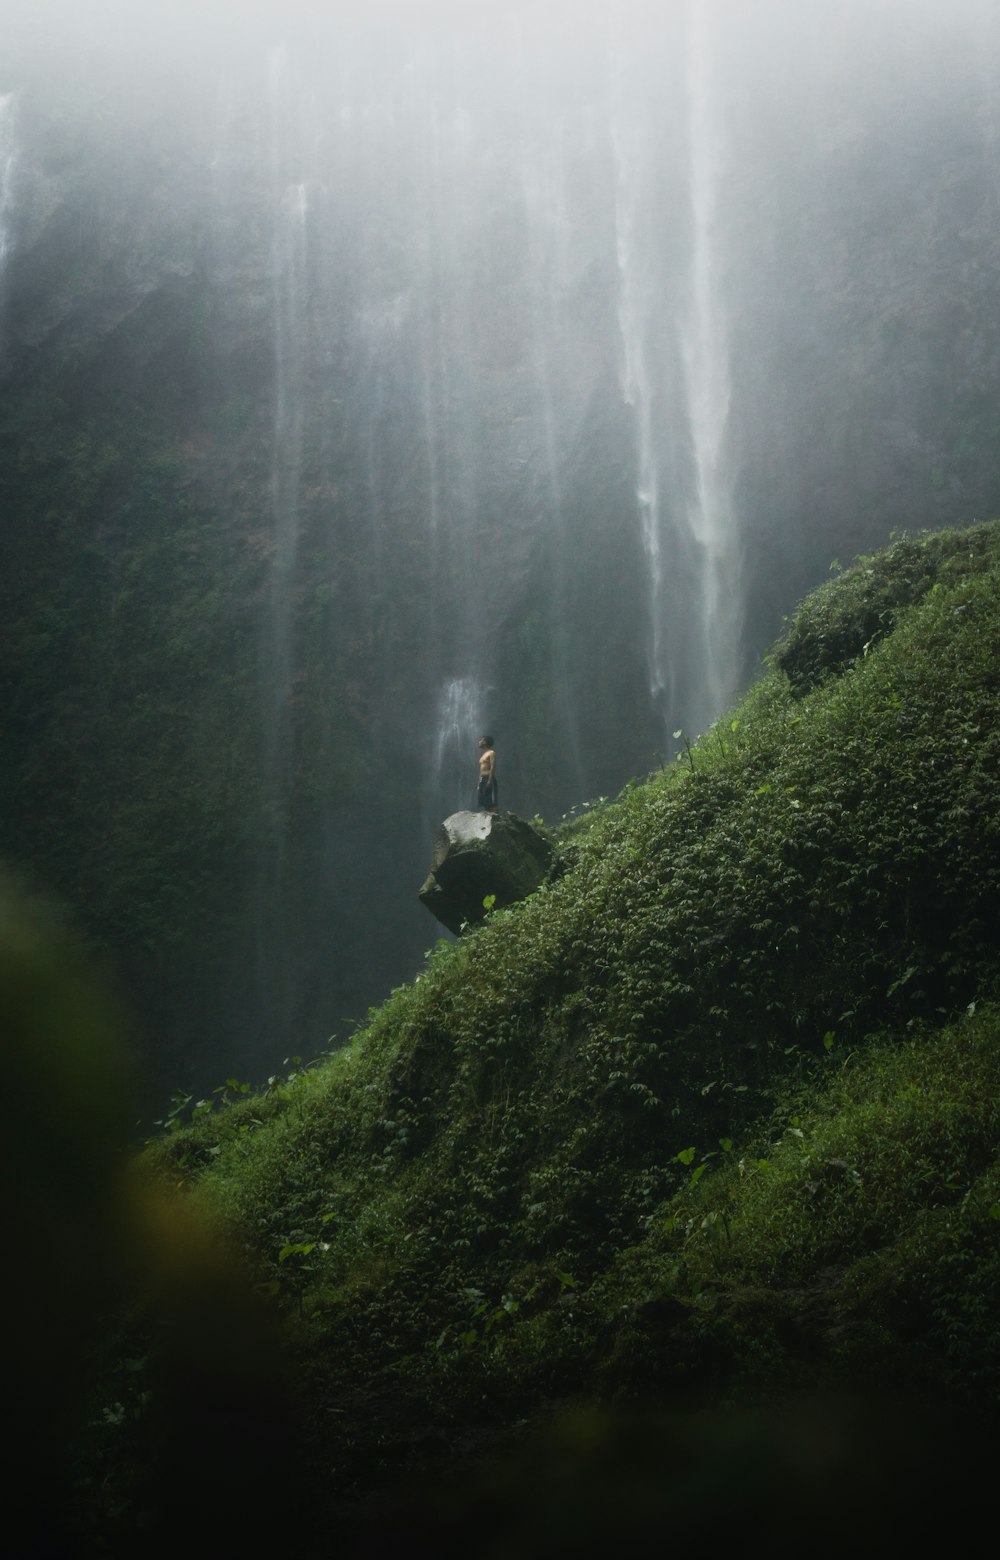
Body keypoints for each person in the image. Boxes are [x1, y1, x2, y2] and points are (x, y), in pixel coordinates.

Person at [477, 735, 498, 813]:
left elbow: (493, 766)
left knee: (492, 802)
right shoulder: (483, 755)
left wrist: (490, 780)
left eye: (480, 740)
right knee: (484, 802)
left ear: (485, 742)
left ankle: (497, 821)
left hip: (488, 778)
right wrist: (479, 784)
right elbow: (481, 770)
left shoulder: (491, 753)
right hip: (482, 779)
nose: (479, 742)